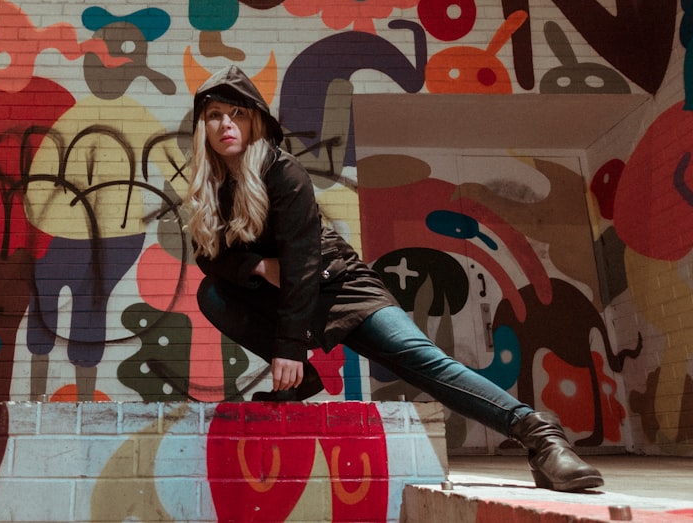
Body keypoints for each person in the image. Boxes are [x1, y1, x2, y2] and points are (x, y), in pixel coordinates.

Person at [184, 65, 604, 493]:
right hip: (282, 290)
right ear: (204, 126)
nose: (226, 124)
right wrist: (257, 267)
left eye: (236, 113)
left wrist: (288, 347)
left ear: (253, 119)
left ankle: (539, 436)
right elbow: (207, 256)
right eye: (215, 115)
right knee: (213, 294)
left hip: (340, 285)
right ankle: (303, 382)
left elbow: (303, 262)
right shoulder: (210, 188)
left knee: (420, 359)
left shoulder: (282, 171)